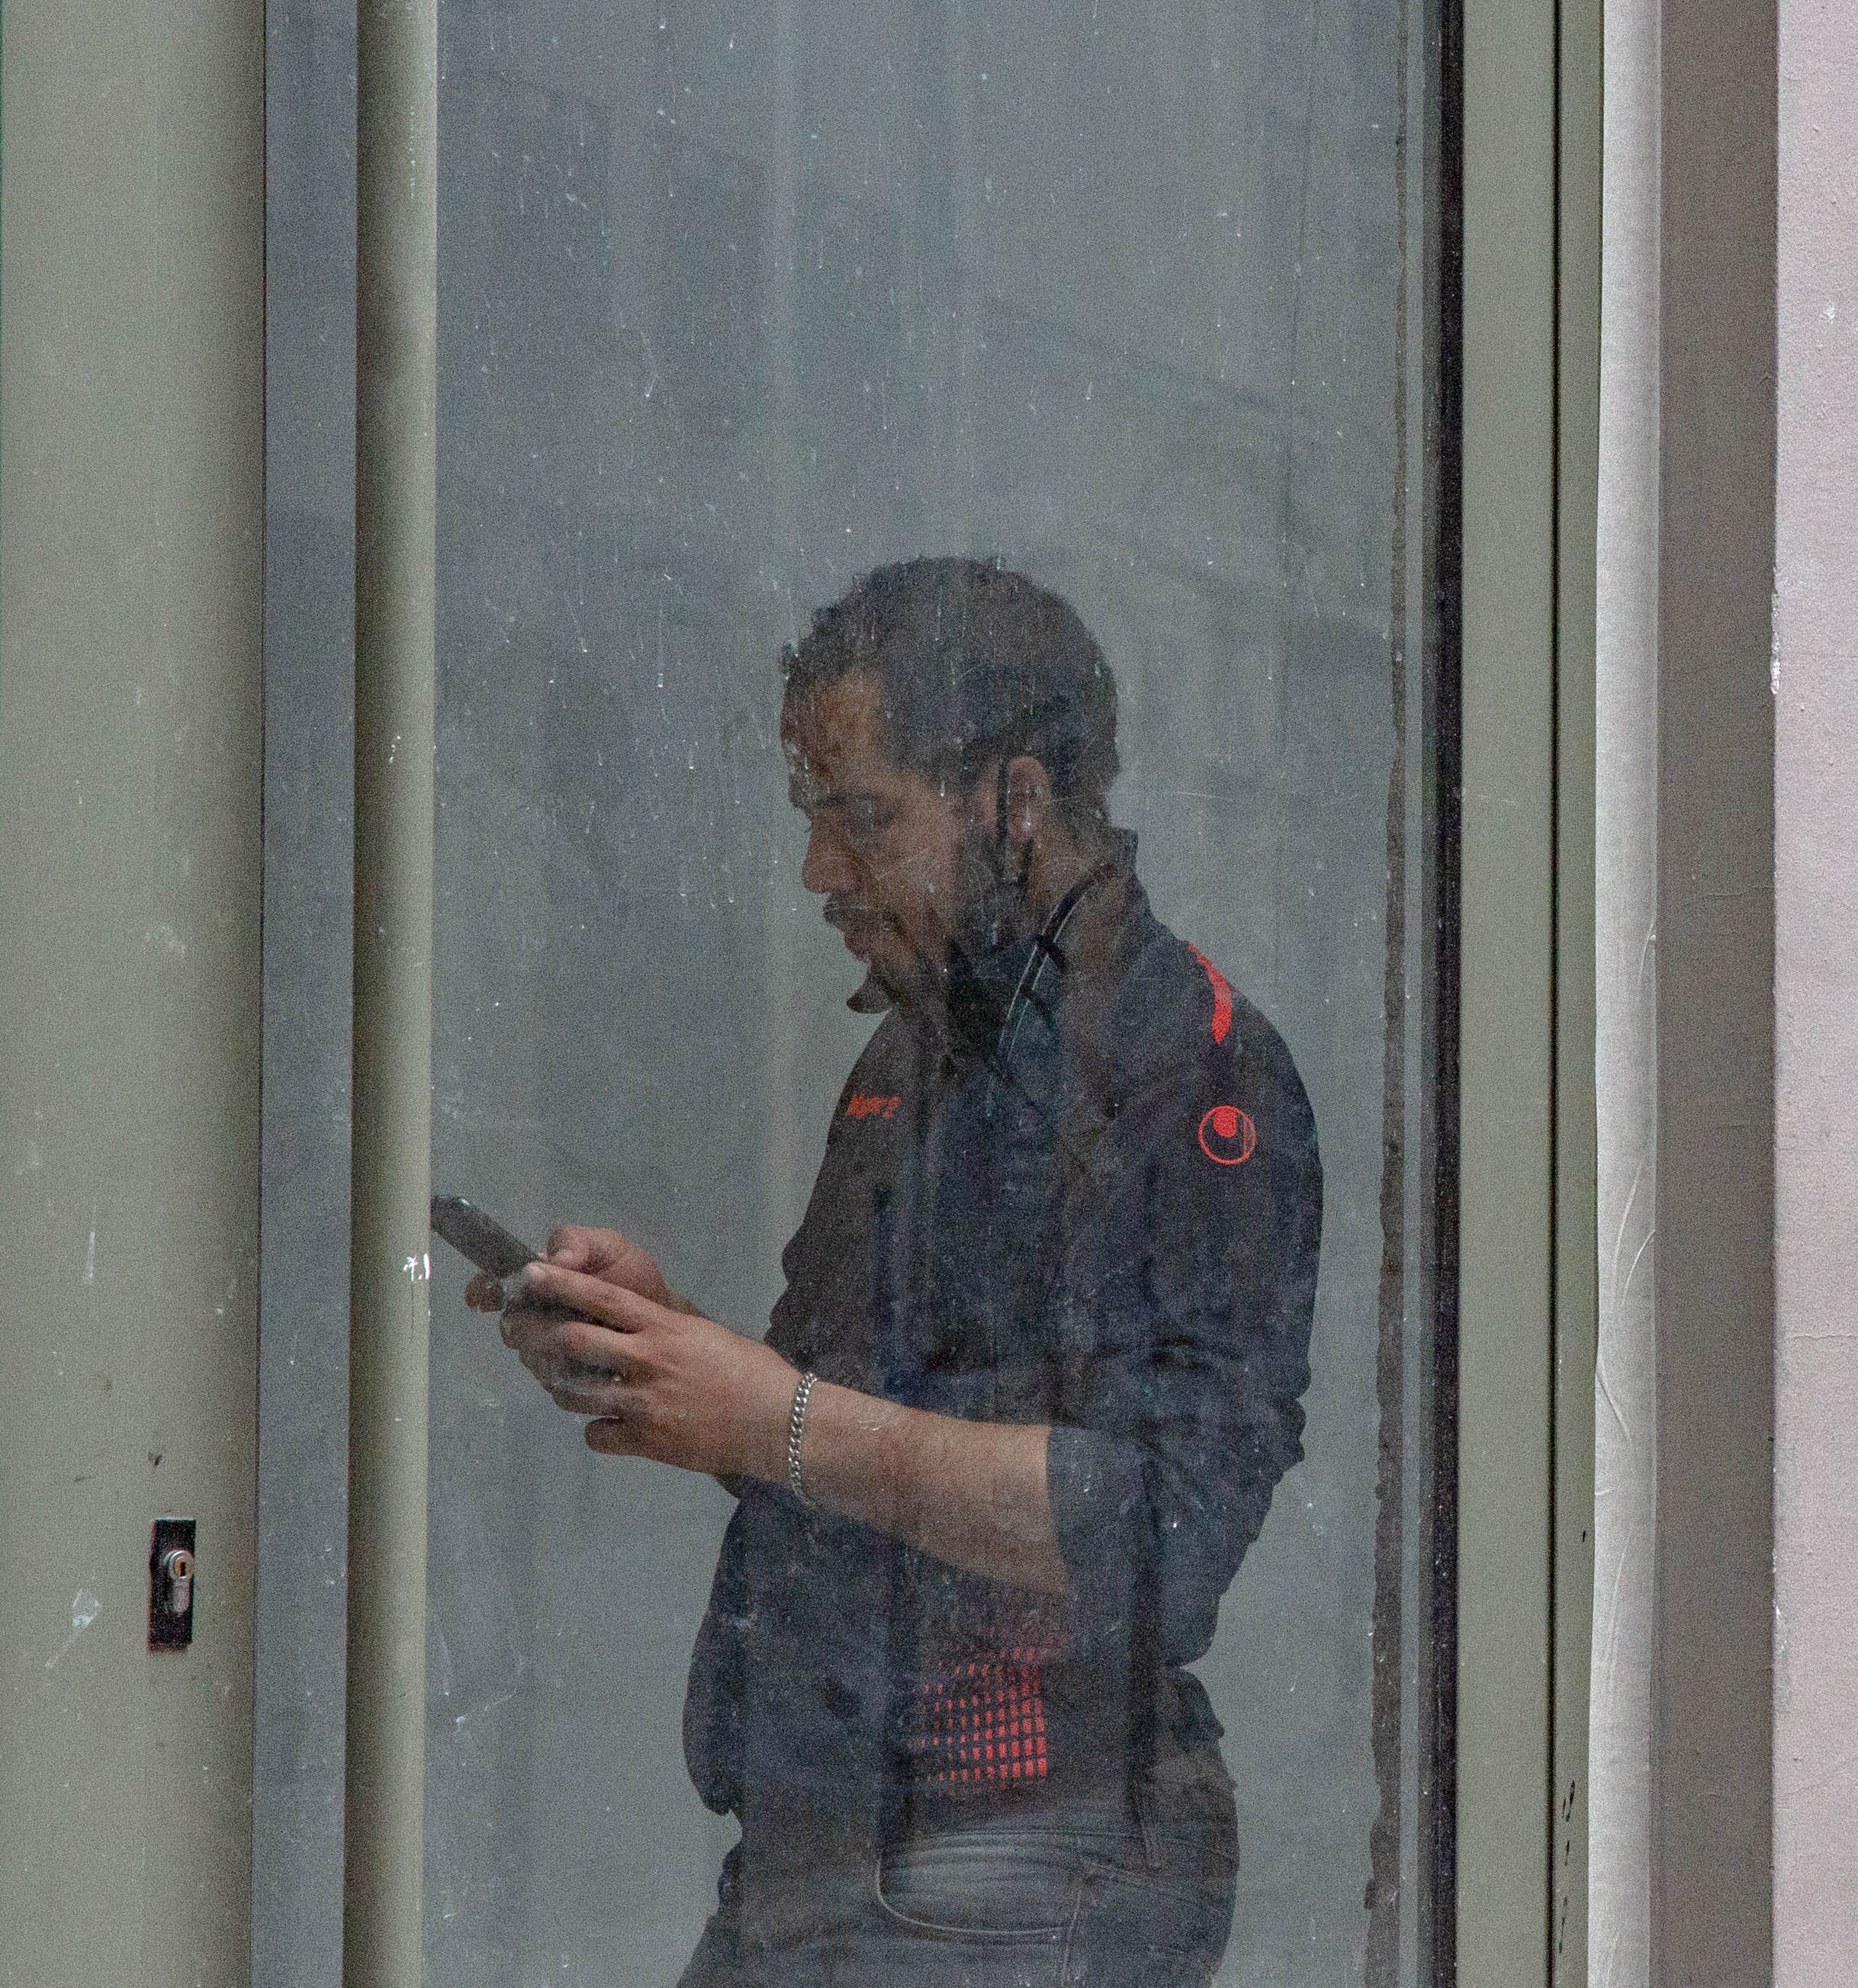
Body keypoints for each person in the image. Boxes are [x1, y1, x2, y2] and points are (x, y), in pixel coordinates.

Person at [471, 557, 1322, 1985]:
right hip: (834, 1842)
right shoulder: (923, 1049)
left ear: (1014, 800)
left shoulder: (1194, 1071)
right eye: (811, 816)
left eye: (862, 817)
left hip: (1016, 1865)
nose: (819, 870)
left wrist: (768, 1416)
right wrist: (667, 1353)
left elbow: (1167, 1524)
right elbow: (852, 1433)